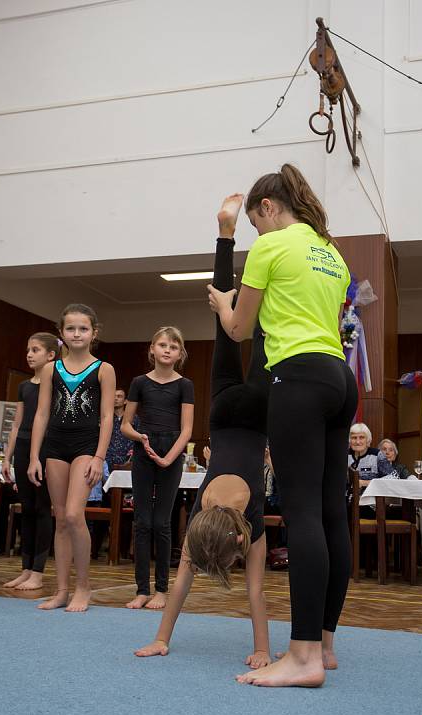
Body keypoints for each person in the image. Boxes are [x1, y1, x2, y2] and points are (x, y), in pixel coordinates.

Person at [209, 165, 358, 687]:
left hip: (298, 379)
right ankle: (326, 643)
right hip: (340, 379)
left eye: (255, 222)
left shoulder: (271, 248)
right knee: (329, 513)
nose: (258, 231)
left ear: (268, 208)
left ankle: (302, 657)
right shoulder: (331, 252)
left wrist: (224, 302)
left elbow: (240, 329)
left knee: (302, 517)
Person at [135, 194, 271, 668]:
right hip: (223, 409)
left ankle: (263, 244)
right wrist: (161, 637)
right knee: (225, 324)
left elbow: (255, 592)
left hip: (256, 417)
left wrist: (262, 650)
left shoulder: (247, 526)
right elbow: (181, 588)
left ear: (235, 541)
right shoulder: (200, 521)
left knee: (263, 329)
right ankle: (226, 234)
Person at [28, 304, 115, 612]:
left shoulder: (103, 369)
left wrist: (99, 456)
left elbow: (107, 416)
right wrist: (34, 457)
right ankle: (61, 590)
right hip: (55, 446)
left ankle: (83, 587)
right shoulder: (52, 369)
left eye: (83, 328)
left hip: (86, 446)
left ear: (93, 332)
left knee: (75, 516)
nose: (77, 333)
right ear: (61, 333)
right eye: (71, 328)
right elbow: (41, 413)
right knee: (60, 518)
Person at [121, 327, 194, 610]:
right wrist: (140, 437)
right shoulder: (140, 382)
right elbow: (126, 424)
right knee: (142, 521)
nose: (167, 350)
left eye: (173, 347)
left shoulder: (184, 385)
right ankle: (142, 589)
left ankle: (162, 590)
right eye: (162, 345)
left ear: (180, 354)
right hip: (144, 448)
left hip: (171, 450)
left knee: (162, 522)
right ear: (152, 349)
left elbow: (187, 429)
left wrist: (169, 457)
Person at [2, 332, 60, 590]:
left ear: (50, 355)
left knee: (41, 507)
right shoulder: (24, 386)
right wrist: (8, 456)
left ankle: (38, 570)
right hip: (24, 447)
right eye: (28, 349)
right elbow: (16, 425)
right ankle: (25, 568)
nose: (29, 354)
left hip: (46, 446)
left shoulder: (56, 385)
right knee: (26, 507)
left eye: (35, 350)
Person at [105, 388, 136, 471]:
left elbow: (138, 439)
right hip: (107, 461)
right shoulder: (105, 418)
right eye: (113, 396)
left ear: (125, 401)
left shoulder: (133, 419)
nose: (115, 398)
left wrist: (132, 456)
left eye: (119, 396)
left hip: (128, 461)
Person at [86, 460, 110, 560]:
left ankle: (86, 551)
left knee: (86, 525)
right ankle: (94, 551)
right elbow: (106, 479)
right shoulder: (102, 461)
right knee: (96, 526)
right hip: (95, 498)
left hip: (83, 498)